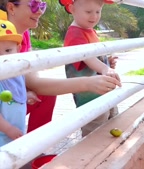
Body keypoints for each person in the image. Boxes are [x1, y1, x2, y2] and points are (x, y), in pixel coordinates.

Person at [0, 0, 121, 134]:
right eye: (34, 5)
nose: (40, 11)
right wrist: (88, 83)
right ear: (11, 8)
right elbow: (35, 83)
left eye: (42, 5)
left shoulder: (24, 34)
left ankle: (37, 147)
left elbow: (32, 80)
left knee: (45, 96)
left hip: (8, 96)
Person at [60, 0, 121, 136]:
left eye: (98, 12)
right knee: (94, 126)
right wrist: (105, 69)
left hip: (103, 90)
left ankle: (108, 153)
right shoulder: (75, 34)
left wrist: (107, 63)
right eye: (88, 12)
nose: (94, 16)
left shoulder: (89, 30)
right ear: (72, 9)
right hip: (89, 95)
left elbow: (95, 58)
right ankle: (89, 155)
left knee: (112, 119)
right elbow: (87, 57)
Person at [0, 10, 30, 146]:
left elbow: (14, 93)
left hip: (13, 135)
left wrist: (25, 94)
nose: (3, 58)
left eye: (7, 51)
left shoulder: (17, 74)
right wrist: (8, 129)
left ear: (18, 49)